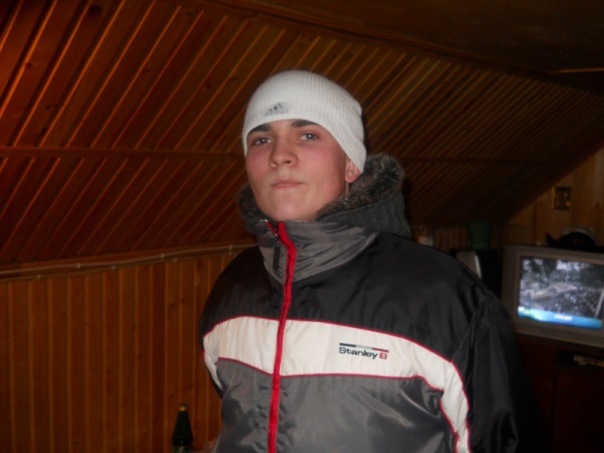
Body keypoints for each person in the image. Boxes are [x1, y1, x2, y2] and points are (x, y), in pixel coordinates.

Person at [200, 70, 542, 452]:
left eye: (308, 135)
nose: (279, 155)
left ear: (351, 165)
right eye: (261, 140)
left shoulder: (445, 297)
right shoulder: (232, 288)